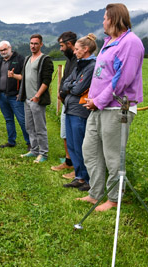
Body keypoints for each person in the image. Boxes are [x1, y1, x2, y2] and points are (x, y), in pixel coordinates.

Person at [77, 3, 144, 211]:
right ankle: (95, 193)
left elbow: (121, 79)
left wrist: (98, 100)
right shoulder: (110, 42)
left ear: (114, 19)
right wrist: (94, 100)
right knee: (90, 150)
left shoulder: (130, 43)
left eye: (105, 17)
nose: (103, 21)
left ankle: (114, 198)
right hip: (98, 108)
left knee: (113, 155)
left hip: (116, 109)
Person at [60, 34, 97, 191]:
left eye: (76, 49)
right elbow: (66, 83)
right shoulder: (79, 65)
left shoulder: (91, 66)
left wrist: (71, 86)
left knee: (81, 144)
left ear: (85, 49)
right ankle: (79, 176)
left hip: (80, 110)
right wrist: (71, 86)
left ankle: (87, 177)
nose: (74, 52)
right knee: (73, 144)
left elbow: (78, 88)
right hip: (70, 107)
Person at [18, 34, 54, 163]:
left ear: (41, 44)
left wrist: (37, 95)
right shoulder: (27, 59)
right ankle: (34, 150)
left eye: (36, 44)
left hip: (37, 99)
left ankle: (43, 153)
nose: (33, 46)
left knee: (40, 128)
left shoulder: (45, 59)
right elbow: (24, 78)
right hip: (27, 99)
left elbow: (46, 80)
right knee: (29, 127)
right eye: (31, 43)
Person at [0, 41, 30, 149]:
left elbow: (26, 77)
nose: (3, 52)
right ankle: (11, 141)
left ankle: (30, 143)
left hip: (15, 96)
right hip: (2, 96)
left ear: (10, 48)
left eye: (5, 49)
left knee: (22, 120)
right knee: (8, 119)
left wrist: (21, 93)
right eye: (1, 50)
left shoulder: (20, 59)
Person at [51, 32, 77, 177]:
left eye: (62, 45)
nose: (60, 49)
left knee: (75, 135)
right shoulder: (69, 59)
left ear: (69, 43)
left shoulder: (79, 60)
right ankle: (69, 161)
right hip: (66, 102)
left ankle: (78, 168)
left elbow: (76, 82)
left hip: (74, 103)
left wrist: (64, 92)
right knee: (65, 133)